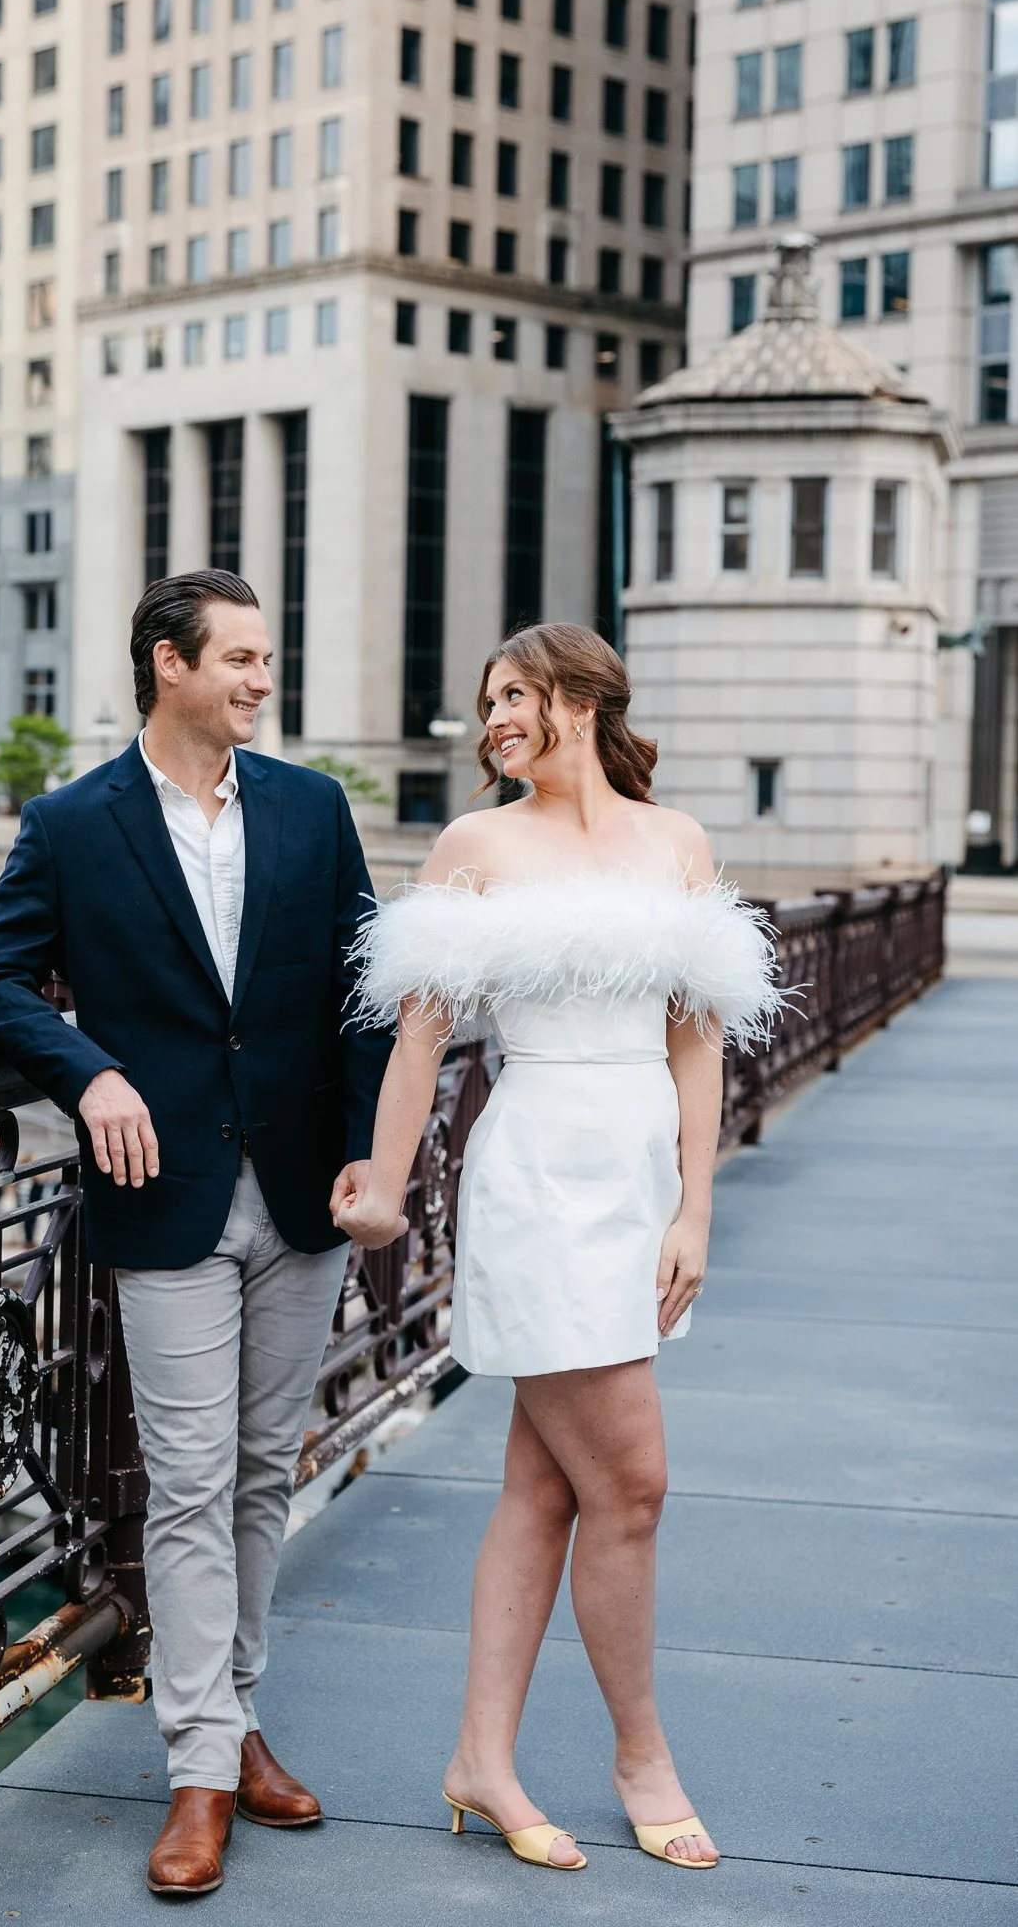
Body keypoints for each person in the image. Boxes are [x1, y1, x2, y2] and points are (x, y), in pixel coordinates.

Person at [0, 572, 391, 1898]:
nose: (263, 679)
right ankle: (200, 1766)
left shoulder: (313, 809)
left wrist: (374, 1146)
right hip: (164, 1204)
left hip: (306, 1191)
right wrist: (85, 1072)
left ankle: (236, 1713)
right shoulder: (73, 822)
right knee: (190, 1483)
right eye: (243, 658)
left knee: (263, 1475)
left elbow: (366, 990)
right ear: (168, 663)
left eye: (268, 658)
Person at [337, 622, 781, 1876]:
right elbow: (418, 1037)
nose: (495, 722)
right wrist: (381, 1184)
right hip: (533, 1178)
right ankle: (642, 1754)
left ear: (580, 699)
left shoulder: (677, 839)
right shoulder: (475, 847)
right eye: (486, 704)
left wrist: (696, 1205)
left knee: (547, 1485)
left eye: (514, 696)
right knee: (632, 1485)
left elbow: (698, 1039)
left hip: (638, 1181)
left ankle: (483, 1754)